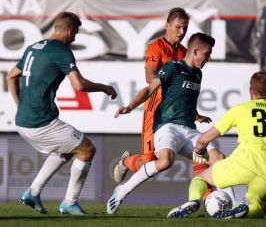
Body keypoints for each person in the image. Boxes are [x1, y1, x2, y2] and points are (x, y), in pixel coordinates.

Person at [6, 12, 117, 215]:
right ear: (68, 30)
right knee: (87, 150)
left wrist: (20, 105)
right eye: (75, 33)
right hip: (41, 122)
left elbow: (11, 76)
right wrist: (104, 88)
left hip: (23, 122)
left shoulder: (34, 48)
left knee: (65, 151)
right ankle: (69, 202)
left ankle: (33, 192)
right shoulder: (61, 51)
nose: (75, 38)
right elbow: (79, 85)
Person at [107, 32, 225, 215]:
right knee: (165, 162)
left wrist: (196, 115)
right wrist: (130, 106)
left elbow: (184, 99)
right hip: (167, 127)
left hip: (189, 131)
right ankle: (122, 191)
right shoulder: (173, 67)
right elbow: (149, 89)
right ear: (195, 51)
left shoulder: (198, 74)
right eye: (207, 53)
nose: (209, 58)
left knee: (218, 159)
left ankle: (228, 203)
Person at [167, 71, 266, 219]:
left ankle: (193, 201)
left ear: (251, 90)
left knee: (200, 179)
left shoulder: (241, 109)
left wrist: (199, 153)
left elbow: (203, 139)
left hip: (243, 163)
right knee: (258, 209)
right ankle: (242, 211)